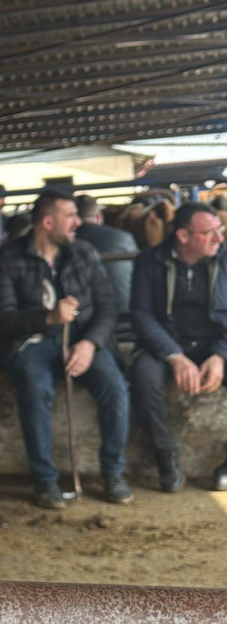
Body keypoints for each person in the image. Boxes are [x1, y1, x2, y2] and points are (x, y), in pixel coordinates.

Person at [0, 189, 133, 508]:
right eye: (70, 216)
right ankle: (46, 480)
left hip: (83, 340)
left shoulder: (84, 253)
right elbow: (2, 319)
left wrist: (90, 344)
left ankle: (113, 472)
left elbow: (108, 307)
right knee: (34, 387)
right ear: (48, 222)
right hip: (33, 343)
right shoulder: (8, 259)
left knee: (115, 387)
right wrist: (48, 317)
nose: (78, 222)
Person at [129, 202, 227, 492]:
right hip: (167, 346)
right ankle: (166, 456)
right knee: (143, 377)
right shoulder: (150, 261)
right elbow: (141, 314)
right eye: (210, 233)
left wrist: (221, 355)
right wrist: (174, 355)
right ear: (184, 236)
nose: (219, 239)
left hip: (215, 343)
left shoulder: (225, 258)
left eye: (219, 231)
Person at [74, 194, 139, 315]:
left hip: (83, 317)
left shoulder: (67, 243)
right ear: (99, 216)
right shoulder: (123, 237)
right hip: (124, 310)